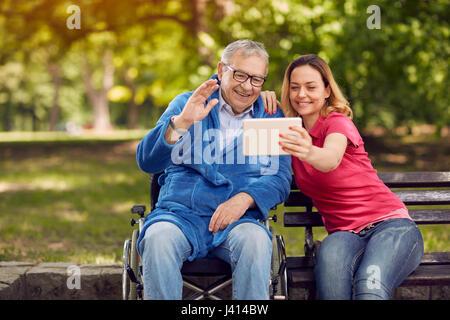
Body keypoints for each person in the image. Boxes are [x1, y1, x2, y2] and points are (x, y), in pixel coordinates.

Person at [135, 39, 292, 300]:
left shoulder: (267, 116)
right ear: (221, 70)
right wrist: (182, 122)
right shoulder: (187, 104)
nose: (247, 86)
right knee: (158, 239)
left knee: (255, 241)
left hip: (238, 222)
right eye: (240, 74)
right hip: (179, 216)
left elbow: (278, 177)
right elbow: (147, 161)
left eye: (256, 79)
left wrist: (245, 199)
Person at [265, 54, 424, 299]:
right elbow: (249, 137)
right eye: (294, 87)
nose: (301, 94)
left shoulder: (337, 122)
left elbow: (330, 159)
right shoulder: (289, 132)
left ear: (327, 89)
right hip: (342, 236)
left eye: (311, 87)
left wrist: (306, 150)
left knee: (369, 289)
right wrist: (261, 100)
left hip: (391, 227)